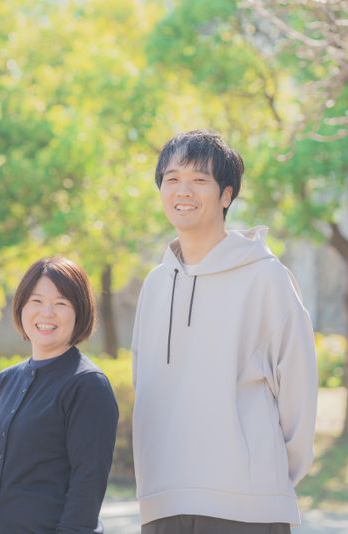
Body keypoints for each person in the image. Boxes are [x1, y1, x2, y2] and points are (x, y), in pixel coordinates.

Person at [131, 130, 318, 533]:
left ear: (226, 195)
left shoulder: (266, 278)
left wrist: (267, 481)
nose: (183, 190)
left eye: (200, 180)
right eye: (172, 179)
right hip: (163, 501)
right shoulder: (156, 283)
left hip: (248, 506)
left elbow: (298, 390)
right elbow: (144, 385)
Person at [0, 256, 119, 534]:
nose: (46, 313)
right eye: (36, 301)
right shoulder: (5, 381)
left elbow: (86, 487)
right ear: (22, 306)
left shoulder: (87, 385)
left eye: (61, 303)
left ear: (80, 311)